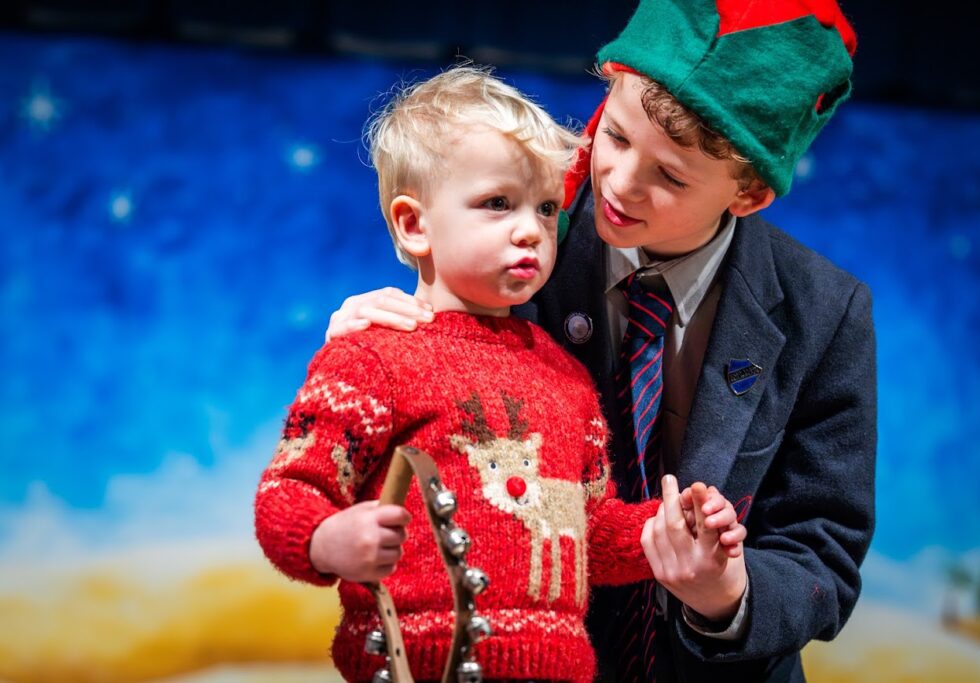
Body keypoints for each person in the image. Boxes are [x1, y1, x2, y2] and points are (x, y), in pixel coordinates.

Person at [324, 1, 877, 681]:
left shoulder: (827, 313)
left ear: (750, 194)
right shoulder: (516, 235)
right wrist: (369, 357)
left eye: (670, 175)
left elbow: (823, 553)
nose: (618, 181)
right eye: (614, 136)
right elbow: (413, 445)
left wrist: (728, 595)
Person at [254, 64, 747, 683]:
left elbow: (586, 530)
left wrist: (667, 529)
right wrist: (324, 540)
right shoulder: (371, 357)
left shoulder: (566, 379)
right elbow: (288, 491)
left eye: (546, 208)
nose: (531, 231)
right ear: (414, 224)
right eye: (497, 204)